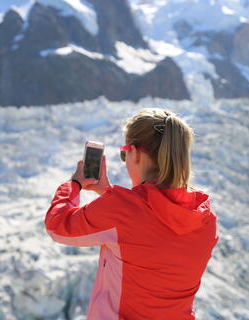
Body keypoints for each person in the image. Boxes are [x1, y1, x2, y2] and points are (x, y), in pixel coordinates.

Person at [44, 108, 219, 319]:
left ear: (135, 153)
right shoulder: (205, 218)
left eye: (123, 154)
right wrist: (109, 195)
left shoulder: (121, 209)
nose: (125, 160)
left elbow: (58, 227)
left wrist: (74, 185)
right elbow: (150, 229)